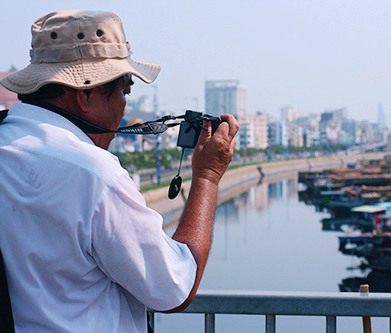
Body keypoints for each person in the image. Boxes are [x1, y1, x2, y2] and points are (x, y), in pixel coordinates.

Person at [0, 10, 239, 333]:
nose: (125, 107)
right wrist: (208, 176)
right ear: (85, 94)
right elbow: (175, 289)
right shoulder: (93, 174)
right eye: (125, 90)